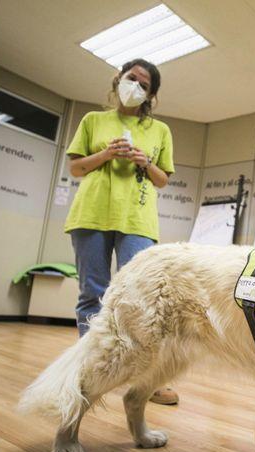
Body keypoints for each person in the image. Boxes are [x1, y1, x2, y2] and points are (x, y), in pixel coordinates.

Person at [65, 59, 178, 405]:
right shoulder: (92, 121)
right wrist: (108, 153)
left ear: (151, 95)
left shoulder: (160, 131)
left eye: (144, 85)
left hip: (137, 222)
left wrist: (144, 161)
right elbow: (75, 168)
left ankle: (148, 379)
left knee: (145, 301)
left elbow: (163, 179)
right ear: (118, 79)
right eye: (132, 79)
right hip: (92, 216)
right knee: (92, 294)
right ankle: (91, 369)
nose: (136, 87)